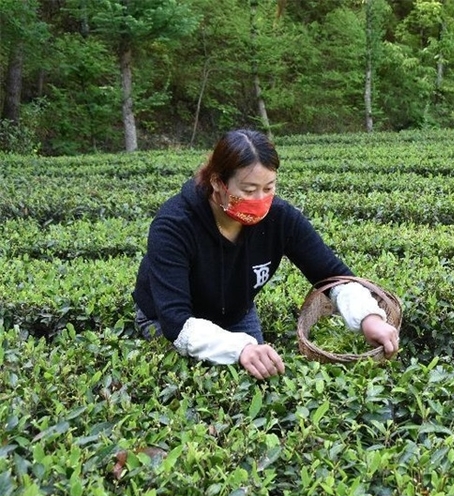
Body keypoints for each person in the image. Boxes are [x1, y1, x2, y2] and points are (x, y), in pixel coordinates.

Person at [132, 129, 399, 380]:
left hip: (236, 312)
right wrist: (241, 348)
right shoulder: (174, 225)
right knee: (204, 383)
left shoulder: (280, 218)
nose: (260, 199)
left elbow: (331, 274)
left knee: (264, 379)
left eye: (268, 188)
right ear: (218, 183)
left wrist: (369, 318)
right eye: (248, 190)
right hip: (165, 319)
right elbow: (175, 321)